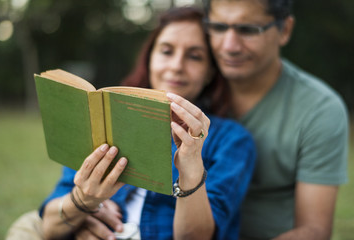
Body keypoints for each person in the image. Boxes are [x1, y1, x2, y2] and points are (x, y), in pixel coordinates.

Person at [37, 7, 256, 240]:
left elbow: (198, 236)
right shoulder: (104, 119)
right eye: (166, 51)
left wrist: (190, 167)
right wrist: (84, 204)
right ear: (150, 58)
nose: (176, 66)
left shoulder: (231, 140)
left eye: (194, 56)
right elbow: (49, 227)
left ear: (210, 72)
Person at [202, 0, 349, 239]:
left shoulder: (319, 109)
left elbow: (314, 230)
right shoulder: (192, 86)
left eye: (248, 29)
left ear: (285, 30)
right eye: (218, 27)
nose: (229, 46)